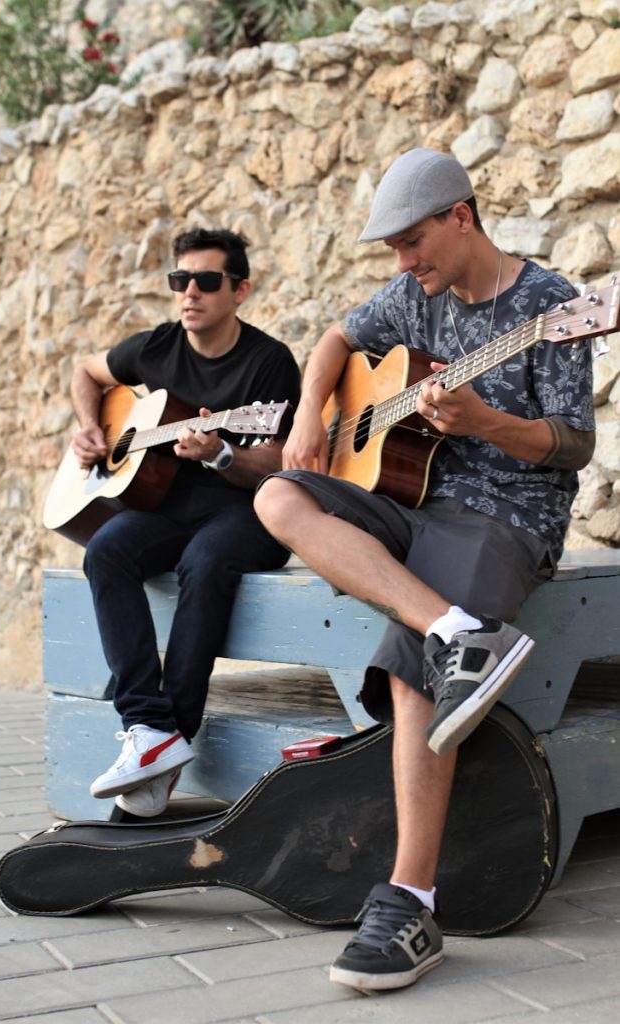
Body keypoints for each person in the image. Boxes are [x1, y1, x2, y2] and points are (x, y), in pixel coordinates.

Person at [253, 148, 595, 992]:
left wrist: (484, 423)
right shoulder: (413, 295)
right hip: (418, 502)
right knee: (278, 500)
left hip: (507, 513)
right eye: (394, 252)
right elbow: (336, 338)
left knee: (414, 678)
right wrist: (308, 420)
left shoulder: (550, 307)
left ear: (461, 217)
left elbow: (573, 444)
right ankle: (457, 631)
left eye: (411, 243)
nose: (403, 265)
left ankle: (408, 902)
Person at [71, 227, 301, 818]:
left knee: (206, 561)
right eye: (180, 280)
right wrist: (92, 428)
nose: (189, 292)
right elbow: (85, 371)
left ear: (240, 290)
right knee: (106, 550)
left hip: (246, 510)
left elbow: (283, 461)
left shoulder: (268, 362)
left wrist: (222, 453)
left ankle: (169, 740)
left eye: (205, 280)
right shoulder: (156, 348)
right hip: (169, 508)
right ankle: (147, 729)